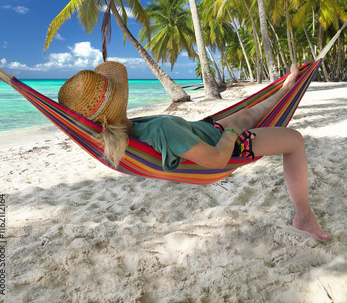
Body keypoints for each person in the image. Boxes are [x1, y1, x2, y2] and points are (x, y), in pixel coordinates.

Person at [58, 61, 331, 241]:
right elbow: (216, 159)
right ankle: (303, 217)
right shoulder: (162, 130)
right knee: (294, 140)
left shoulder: (127, 130)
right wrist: (232, 133)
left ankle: (286, 87)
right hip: (227, 143)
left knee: (251, 111)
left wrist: (226, 126)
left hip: (206, 129)